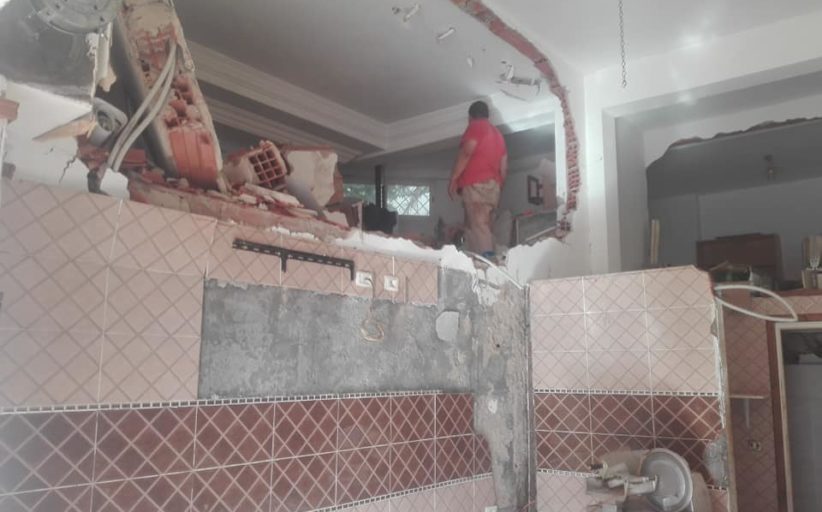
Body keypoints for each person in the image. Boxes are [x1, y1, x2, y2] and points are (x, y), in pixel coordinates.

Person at [448, 100, 508, 260]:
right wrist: (498, 185)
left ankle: (487, 262)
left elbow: (467, 152)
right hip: (494, 186)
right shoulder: (498, 135)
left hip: (476, 183)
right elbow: (504, 167)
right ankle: (480, 259)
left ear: (470, 117)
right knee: (483, 226)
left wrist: (454, 178)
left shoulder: (476, 126)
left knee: (479, 224)